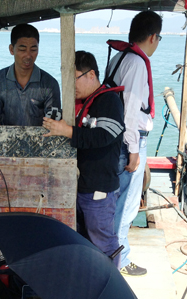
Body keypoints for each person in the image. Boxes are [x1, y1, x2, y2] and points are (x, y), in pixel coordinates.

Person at [43, 51, 125, 267]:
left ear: (91, 75)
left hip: (99, 189)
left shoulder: (109, 101)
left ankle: (111, 282)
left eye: (75, 79)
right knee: (82, 242)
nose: (71, 86)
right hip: (79, 187)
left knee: (103, 243)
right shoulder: (79, 103)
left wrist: (67, 131)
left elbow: (104, 135)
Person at [106, 11, 163, 277]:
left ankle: (113, 253)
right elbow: (130, 111)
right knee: (126, 204)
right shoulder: (138, 63)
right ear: (153, 37)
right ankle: (120, 258)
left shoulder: (119, 58)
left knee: (115, 201)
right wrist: (133, 150)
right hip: (130, 139)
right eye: (159, 38)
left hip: (114, 137)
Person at [0, 23, 61, 126]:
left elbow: (53, 125)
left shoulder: (50, 84)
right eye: (22, 49)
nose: (28, 55)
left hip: (41, 137)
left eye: (33, 50)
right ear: (11, 49)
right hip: (4, 137)